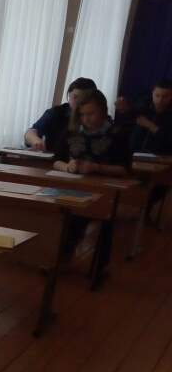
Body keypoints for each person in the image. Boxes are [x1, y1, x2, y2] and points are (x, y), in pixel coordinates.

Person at [51, 90, 132, 257]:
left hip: (100, 189)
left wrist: (97, 168)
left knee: (76, 215)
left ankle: (59, 254)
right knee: (47, 210)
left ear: (103, 111)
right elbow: (56, 161)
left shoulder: (117, 134)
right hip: (70, 184)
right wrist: (68, 167)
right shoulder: (71, 130)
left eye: (91, 113)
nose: (86, 118)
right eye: (82, 114)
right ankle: (48, 251)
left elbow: (124, 169)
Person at [116, 81, 172, 222]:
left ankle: (147, 207)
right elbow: (130, 111)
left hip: (160, 156)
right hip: (135, 153)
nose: (160, 99)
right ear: (152, 94)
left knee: (163, 182)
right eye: (157, 95)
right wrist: (123, 108)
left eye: (165, 96)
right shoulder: (145, 108)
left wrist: (150, 125)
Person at [24, 77, 97, 152]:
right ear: (69, 94)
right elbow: (32, 131)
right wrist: (36, 140)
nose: (78, 102)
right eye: (75, 97)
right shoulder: (55, 112)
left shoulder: (97, 116)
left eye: (83, 98)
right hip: (52, 157)